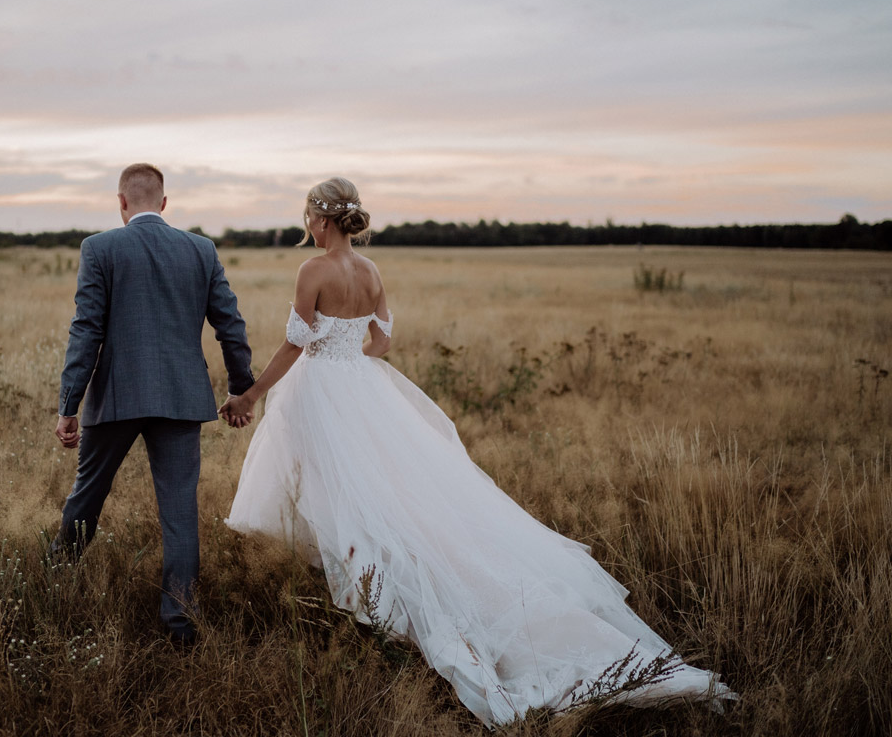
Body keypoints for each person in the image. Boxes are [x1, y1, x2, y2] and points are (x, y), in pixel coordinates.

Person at [218, 177, 735, 725]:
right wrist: (352, 359)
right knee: (388, 495)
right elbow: (384, 341)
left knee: (344, 499)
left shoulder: (312, 269)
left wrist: (252, 393)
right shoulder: (369, 272)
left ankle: (379, 604)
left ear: (319, 220)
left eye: (308, 218)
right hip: (362, 386)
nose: (307, 226)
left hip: (322, 391)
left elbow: (298, 342)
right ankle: (379, 593)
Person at [53, 163, 254, 646]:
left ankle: (55, 581)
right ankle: (181, 624)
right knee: (180, 513)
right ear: (164, 203)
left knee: (87, 496)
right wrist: (240, 389)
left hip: (117, 395)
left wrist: (68, 405)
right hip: (182, 399)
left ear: (121, 202)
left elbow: (87, 330)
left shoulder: (99, 247)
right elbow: (231, 324)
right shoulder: (201, 249)